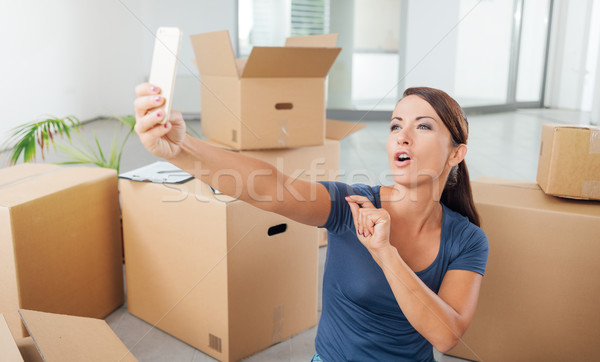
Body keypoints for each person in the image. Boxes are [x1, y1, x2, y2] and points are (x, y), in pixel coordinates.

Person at [133, 84, 489, 362]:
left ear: (456, 152)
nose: (402, 135)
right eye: (396, 125)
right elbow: (272, 187)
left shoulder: (468, 240)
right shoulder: (351, 203)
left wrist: (385, 253)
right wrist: (182, 148)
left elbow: (446, 335)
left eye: (423, 126)